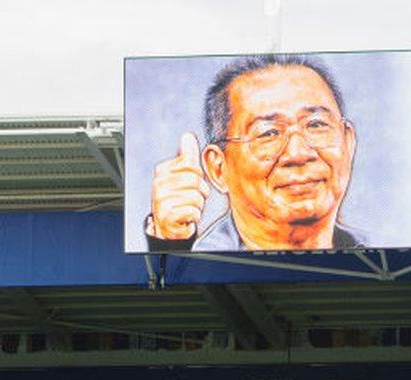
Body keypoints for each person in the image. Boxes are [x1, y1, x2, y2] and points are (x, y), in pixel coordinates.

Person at [145, 54, 361, 252]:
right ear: (218, 168)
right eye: (269, 133)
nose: (298, 153)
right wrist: (169, 242)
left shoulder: (376, 253)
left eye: (316, 125)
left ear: (348, 143)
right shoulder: (203, 262)